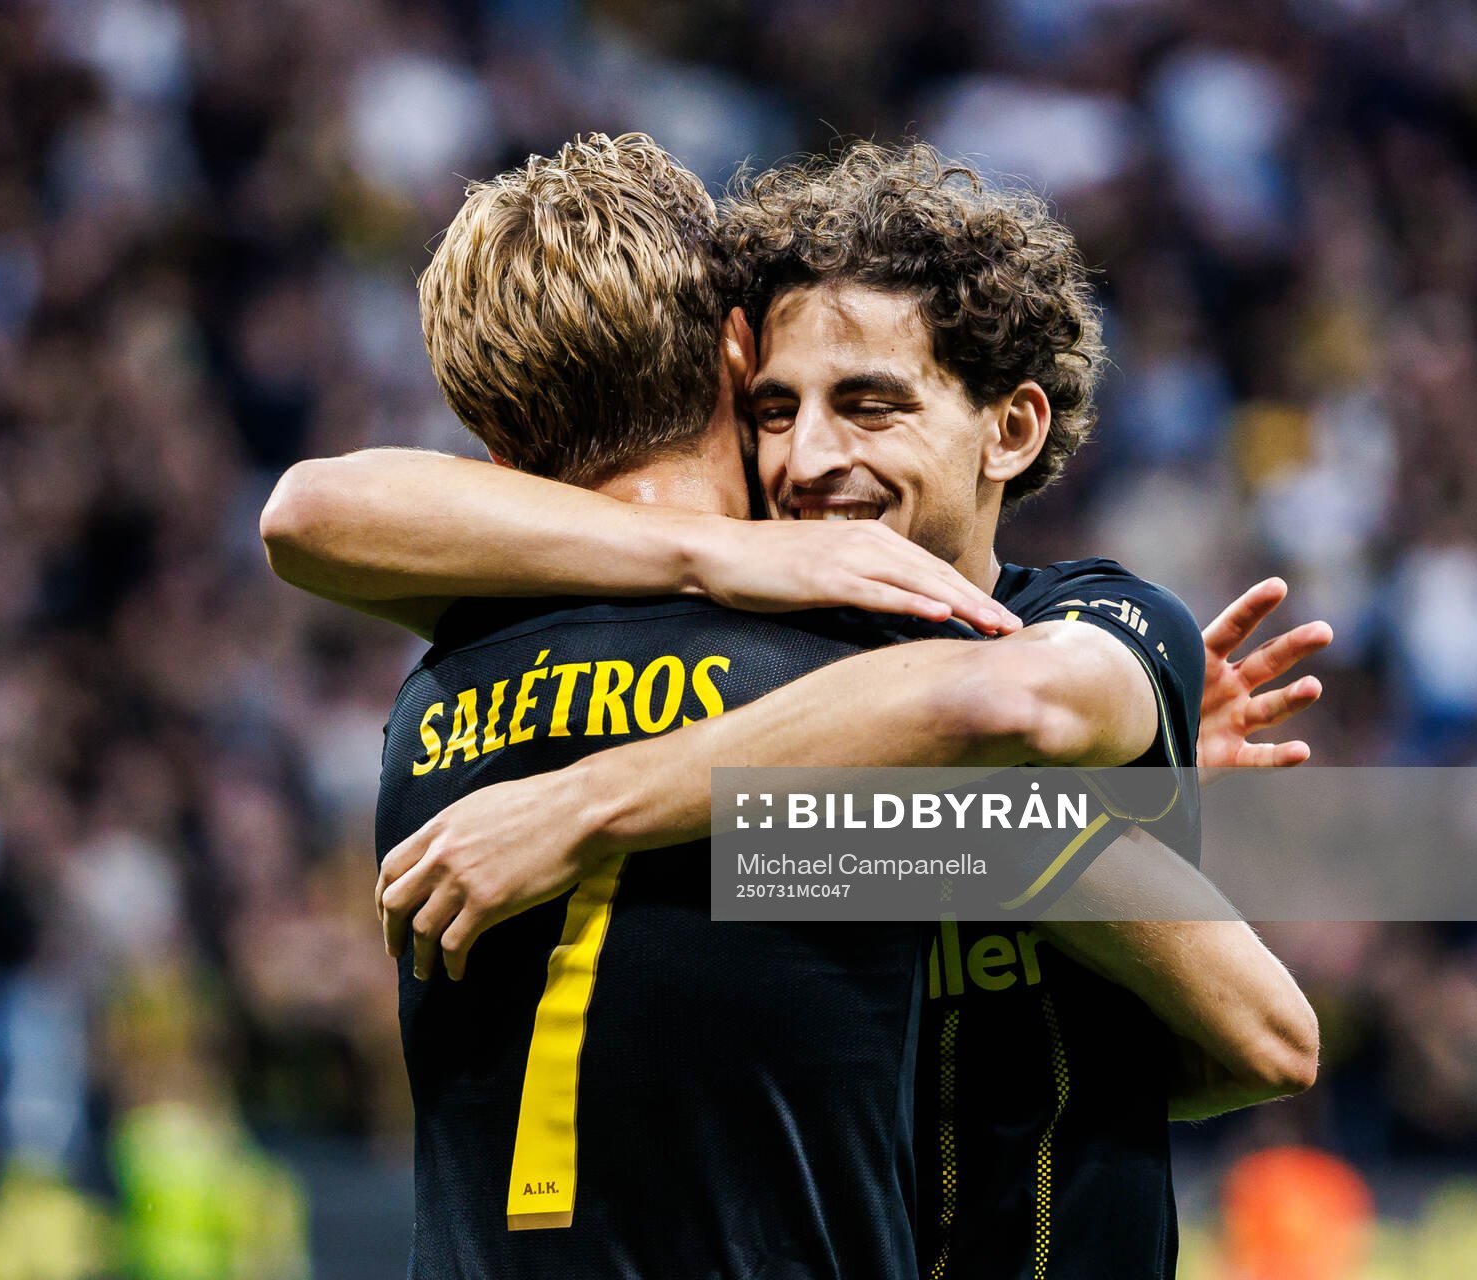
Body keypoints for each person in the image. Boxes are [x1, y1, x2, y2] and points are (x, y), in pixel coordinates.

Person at [263, 138, 1325, 1279]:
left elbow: (308, 514)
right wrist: (1072, 820)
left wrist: (582, 801)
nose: (813, 456)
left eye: (869, 405)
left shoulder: (438, 687)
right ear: (731, 359)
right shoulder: (846, 690)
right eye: (777, 408)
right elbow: (1270, 1031)